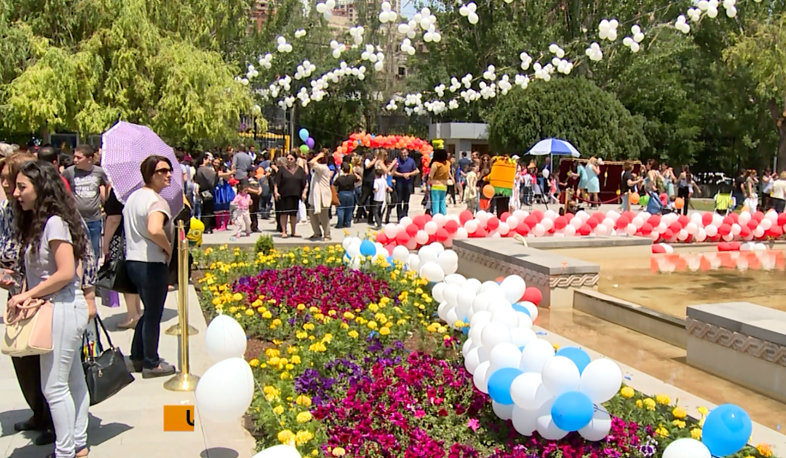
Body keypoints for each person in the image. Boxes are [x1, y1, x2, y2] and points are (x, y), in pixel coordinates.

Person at [9, 161, 92, 458]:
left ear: (40, 188)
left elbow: (66, 271)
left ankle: (66, 450)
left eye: (22, 187)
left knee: (54, 387)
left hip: (63, 309)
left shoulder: (55, 222)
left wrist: (28, 294)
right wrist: (26, 292)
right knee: (72, 381)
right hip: (58, 308)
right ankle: (77, 444)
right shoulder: (40, 222)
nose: (16, 193)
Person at [0, 152, 56, 447]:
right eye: (7, 180)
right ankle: (37, 412)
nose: (10, 187)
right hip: (18, 296)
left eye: (15, 181)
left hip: (42, 299)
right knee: (22, 357)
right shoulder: (10, 209)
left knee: (45, 360)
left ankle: (52, 419)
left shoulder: (52, 217)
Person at [123, 155, 176, 379]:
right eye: (161, 171)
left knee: (148, 312)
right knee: (154, 314)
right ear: (148, 174)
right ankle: (151, 362)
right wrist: (168, 248)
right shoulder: (156, 201)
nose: (167, 175)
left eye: (169, 170)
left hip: (133, 260)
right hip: (150, 262)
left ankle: (137, 355)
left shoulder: (133, 198)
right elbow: (155, 229)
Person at [103, 188, 142, 328]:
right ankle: (136, 311)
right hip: (136, 237)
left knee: (123, 274)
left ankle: (132, 314)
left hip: (121, 237)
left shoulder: (119, 191)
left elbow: (114, 219)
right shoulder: (138, 190)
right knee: (132, 275)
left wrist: (105, 242)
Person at [63, 145, 108, 263]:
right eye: (74, 157)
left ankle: (92, 276)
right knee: (77, 250)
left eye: (79, 157)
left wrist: (105, 202)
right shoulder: (69, 172)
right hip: (76, 219)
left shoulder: (99, 172)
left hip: (94, 218)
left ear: (89, 159)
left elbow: (105, 186)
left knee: (93, 251)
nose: (75, 160)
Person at [274, 151, 308, 238]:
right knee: (284, 214)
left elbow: (305, 183)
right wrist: (276, 192)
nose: (289, 160)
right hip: (284, 195)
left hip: (295, 195)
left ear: (295, 160)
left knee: (293, 214)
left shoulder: (300, 170)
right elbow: (276, 182)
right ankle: (284, 231)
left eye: (291, 159)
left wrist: (304, 193)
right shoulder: (282, 169)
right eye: (288, 159)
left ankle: (293, 231)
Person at [308, 150, 333, 241]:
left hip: (322, 195)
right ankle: (317, 232)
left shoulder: (323, 168)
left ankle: (327, 234)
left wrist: (319, 156)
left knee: (323, 217)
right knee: (312, 213)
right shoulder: (319, 168)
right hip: (315, 195)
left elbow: (311, 162)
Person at [355, 150, 383, 224]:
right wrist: (374, 160)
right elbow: (367, 166)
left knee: (372, 201)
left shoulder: (379, 161)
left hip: (375, 183)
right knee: (363, 200)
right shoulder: (368, 159)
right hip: (367, 183)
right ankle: (357, 216)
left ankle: (370, 218)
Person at [392, 148, 419, 221]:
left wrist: (409, 174)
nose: (403, 154)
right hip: (399, 183)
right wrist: (402, 175)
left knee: (407, 201)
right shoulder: (397, 161)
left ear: (407, 153)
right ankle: (399, 217)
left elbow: (416, 171)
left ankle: (405, 215)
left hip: (408, 183)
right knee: (399, 201)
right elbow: (393, 172)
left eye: (405, 153)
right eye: (402, 153)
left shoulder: (411, 161)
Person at [195, 153, 218, 233]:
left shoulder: (199, 169)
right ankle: (206, 227)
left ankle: (206, 226)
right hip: (206, 191)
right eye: (208, 159)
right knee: (207, 210)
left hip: (203, 191)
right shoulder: (204, 169)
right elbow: (214, 176)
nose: (210, 161)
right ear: (204, 159)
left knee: (205, 209)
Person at [334, 162, 360, 228]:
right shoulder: (352, 177)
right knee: (349, 209)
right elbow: (359, 178)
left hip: (341, 193)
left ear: (342, 169)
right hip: (350, 193)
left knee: (340, 208)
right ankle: (348, 223)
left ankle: (340, 223)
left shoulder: (339, 178)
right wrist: (354, 173)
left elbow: (334, 185)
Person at [429, 149, 451, 216]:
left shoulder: (435, 164)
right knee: (442, 202)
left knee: (435, 203)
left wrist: (427, 184)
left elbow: (430, 176)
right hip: (444, 186)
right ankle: (443, 216)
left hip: (435, 185)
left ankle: (436, 217)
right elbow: (448, 173)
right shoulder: (448, 163)